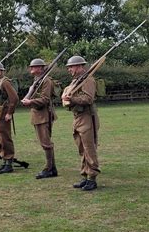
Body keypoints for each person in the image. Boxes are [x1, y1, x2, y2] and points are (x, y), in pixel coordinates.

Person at [61, 56, 100, 191]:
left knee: (89, 148)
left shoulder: (88, 80)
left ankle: (92, 178)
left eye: (71, 67)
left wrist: (72, 99)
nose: (69, 69)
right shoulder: (77, 81)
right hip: (78, 117)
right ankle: (85, 175)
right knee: (81, 149)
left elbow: (88, 99)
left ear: (79, 66)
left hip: (87, 117)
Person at [21, 59, 59, 179]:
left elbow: (45, 99)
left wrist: (30, 101)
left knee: (46, 143)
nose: (31, 68)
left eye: (34, 67)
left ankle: (49, 168)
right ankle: (52, 169)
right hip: (38, 115)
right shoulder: (37, 80)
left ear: (40, 68)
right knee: (45, 143)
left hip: (44, 115)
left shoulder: (46, 80)